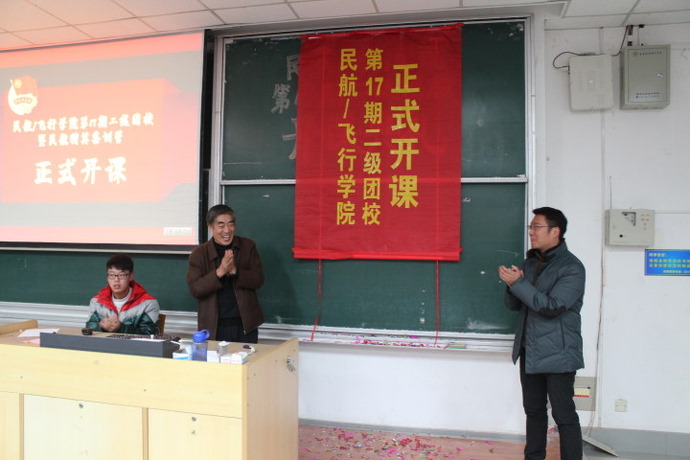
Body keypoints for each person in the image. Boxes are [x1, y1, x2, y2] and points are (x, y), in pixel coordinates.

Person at [498, 207, 586, 460]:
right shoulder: (530, 263)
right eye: (531, 227)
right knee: (534, 411)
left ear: (555, 231)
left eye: (537, 227)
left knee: (563, 414)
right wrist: (511, 285)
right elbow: (515, 305)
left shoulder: (572, 268)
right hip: (530, 350)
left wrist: (519, 284)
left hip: (559, 352)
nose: (531, 232)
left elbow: (552, 307)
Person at [187, 204, 265, 343]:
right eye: (221, 226)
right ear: (210, 227)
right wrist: (221, 271)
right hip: (214, 326)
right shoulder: (199, 254)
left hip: (246, 325)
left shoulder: (247, 246)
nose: (227, 230)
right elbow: (196, 289)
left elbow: (258, 280)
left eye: (231, 224)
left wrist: (235, 271)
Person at [86, 253, 160, 335]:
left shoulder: (148, 303)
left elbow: (149, 335)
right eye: (111, 275)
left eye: (121, 275)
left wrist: (121, 328)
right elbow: (89, 330)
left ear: (131, 276)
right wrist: (102, 327)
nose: (116, 280)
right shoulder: (96, 301)